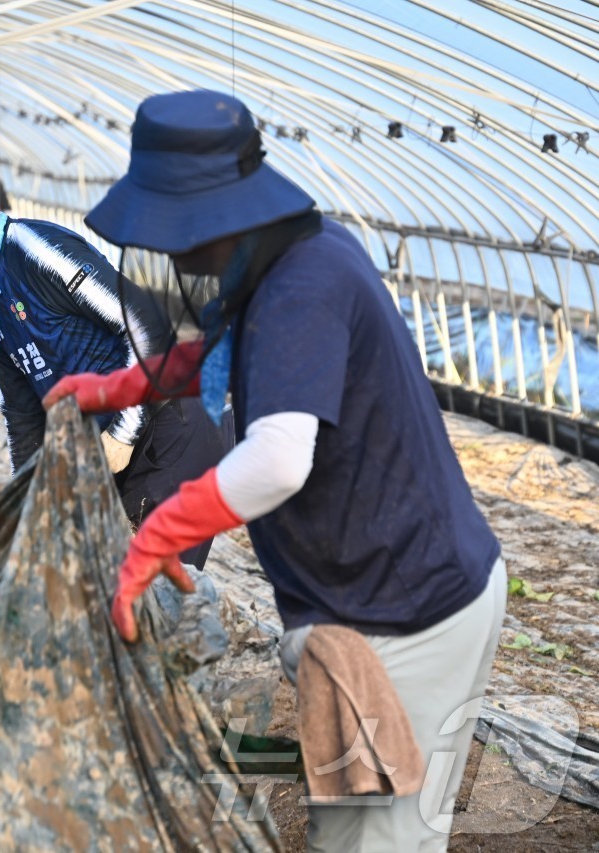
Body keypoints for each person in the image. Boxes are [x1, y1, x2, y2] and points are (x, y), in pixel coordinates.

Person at [46, 90, 506, 850]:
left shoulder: (304, 285)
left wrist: (160, 531)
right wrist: (126, 385)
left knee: (381, 838)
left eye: (177, 231)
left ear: (218, 216)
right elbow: (240, 350)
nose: (175, 250)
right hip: (358, 593)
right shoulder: (288, 259)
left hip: (408, 607)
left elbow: (279, 460)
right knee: (348, 826)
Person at [0, 143, 224, 559]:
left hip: (168, 431)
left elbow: (147, 328)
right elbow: (21, 410)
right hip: (106, 448)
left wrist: (123, 433)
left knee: (146, 590)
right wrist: (25, 499)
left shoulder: (34, 248)